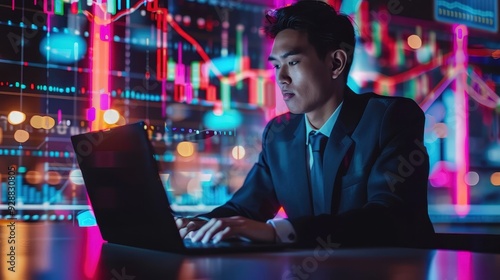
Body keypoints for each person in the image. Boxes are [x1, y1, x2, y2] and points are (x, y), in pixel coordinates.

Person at [176, 0, 435, 248]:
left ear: (336, 63)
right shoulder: (280, 135)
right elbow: (244, 209)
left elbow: (385, 220)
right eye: (276, 65)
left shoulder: (390, 119)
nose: (281, 78)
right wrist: (199, 224)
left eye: (293, 62)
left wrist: (278, 232)